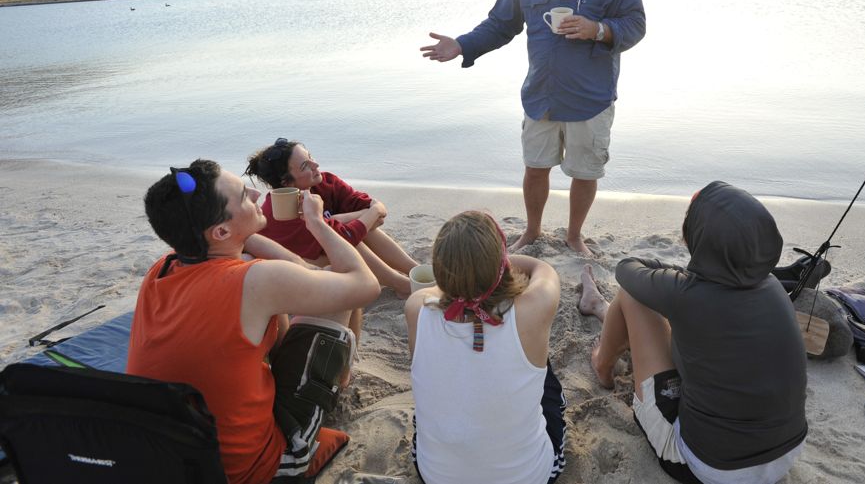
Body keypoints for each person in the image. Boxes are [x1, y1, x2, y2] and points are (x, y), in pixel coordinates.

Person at [420, 0, 646, 257]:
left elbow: (636, 24)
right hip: (541, 94)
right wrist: (462, 44)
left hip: (590, 97)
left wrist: (599, 29)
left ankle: (574, 235)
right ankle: (533, 230)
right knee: (535, 167)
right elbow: (501, 24)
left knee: (585, 172)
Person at [128, 159, 381, 484]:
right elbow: (365, 285)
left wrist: (242, 233)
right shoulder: (254, 281)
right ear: (220, 231)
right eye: (243, 195)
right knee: (339, 287)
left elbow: (275, 265)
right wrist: (316, 223)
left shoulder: (161, 269)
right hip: (254, 469)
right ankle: (337, 387)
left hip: (177, 458)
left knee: (312, 288)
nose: (255, 193)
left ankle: (333, 380)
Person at [578, 181, 807, 484]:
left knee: (632, 295)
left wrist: (677, 277)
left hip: (708, 467)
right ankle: (603, 312)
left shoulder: (687, 294)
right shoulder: (773, 287)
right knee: (676, 320)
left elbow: (626, 269)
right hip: (786, 453)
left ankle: (602, 365)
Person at [405, 211, 566, 484]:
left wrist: (463, 274)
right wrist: (499, 262)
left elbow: (432, 293)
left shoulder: (416, 309)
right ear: (501, 265)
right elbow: (543, 270)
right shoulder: (532, 309)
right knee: (542, 371)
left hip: (436, 475)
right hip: (528, 477)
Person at [245, 137, 418, 297]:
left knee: (362, 229)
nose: (316, 164)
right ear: (286, 182)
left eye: (310, 157)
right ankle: (402, 285)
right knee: (350, 240)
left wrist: (341, 218)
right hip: (298, 267)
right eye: (305, 165)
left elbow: (376, 218)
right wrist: (373, 210)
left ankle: (416, 270)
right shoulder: (283, 211)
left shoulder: (326, 182)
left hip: (324, 253)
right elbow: (350, 235)